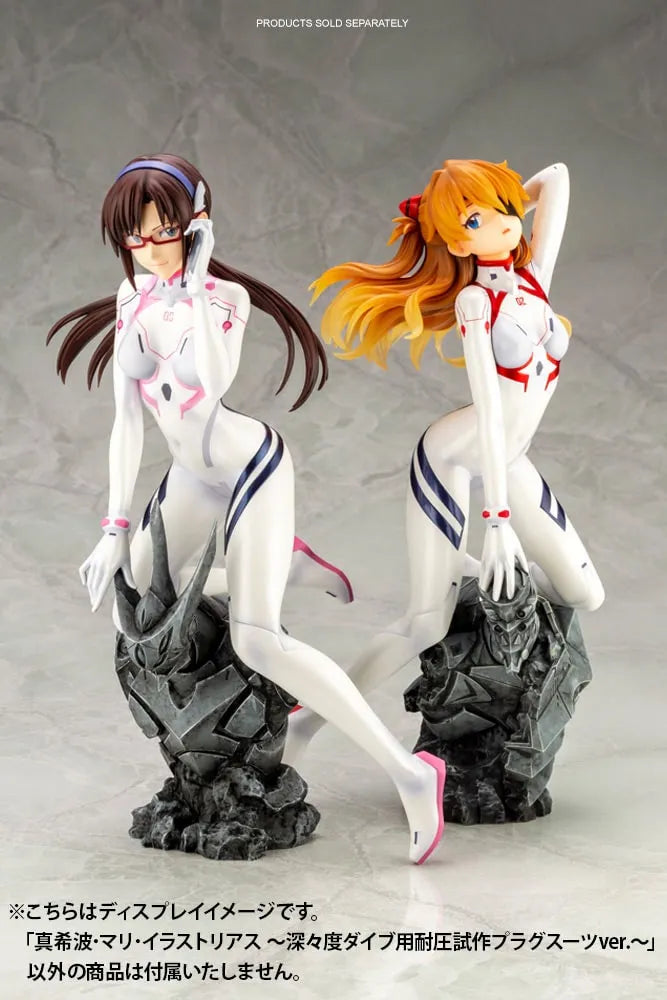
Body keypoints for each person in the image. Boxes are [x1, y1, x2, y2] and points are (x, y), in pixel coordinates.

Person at [47, 153, 446, 865]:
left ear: (196, 224)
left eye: (165, 232)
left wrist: (200, 275)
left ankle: (409, 774)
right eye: (135, 236)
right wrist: (113, 528)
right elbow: (127, 424)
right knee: (135, 604)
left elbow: (215, 374)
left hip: (248, 468)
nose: (150, 248)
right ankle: (276, 566)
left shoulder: (225, 298)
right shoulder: (131, 297)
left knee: (257, 642)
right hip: (189, 479)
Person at [288, 159, 604, 761]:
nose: (506, 223)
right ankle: (311, 718)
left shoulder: (533, 278)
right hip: (453, 459)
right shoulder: (475, 303)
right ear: (457, 242)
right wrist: (498, 523)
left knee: (582, 592)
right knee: (425, 621)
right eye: (477, 223)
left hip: (509, 459)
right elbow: (488, 410)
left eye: (507, 210)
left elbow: (559, 176)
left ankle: (463, 568)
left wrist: (492, 201)